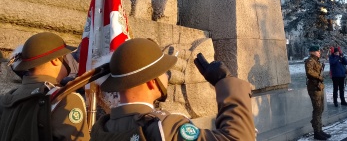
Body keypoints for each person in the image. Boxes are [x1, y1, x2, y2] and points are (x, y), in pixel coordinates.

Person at [90, 38, 255, 140]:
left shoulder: (100, 128)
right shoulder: (164, 128)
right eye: (164, 72)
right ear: (150, 82)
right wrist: (226, 83)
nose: (168, 77)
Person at [0, 32, 89, 140]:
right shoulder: (65, 99)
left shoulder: (9, 97)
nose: (68, 60)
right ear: (55, 60)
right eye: (65, 56)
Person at [305, 45, 331, 140]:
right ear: (312, 52)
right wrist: (319, 77)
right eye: (317, 51)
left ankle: (319, 129)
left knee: (321, 109)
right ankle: (317, 131)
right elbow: (309, 72)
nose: (319, 52)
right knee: (317, 109)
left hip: (319, 87)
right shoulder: (310, 61)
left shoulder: (317, 61)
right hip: (314, 88)